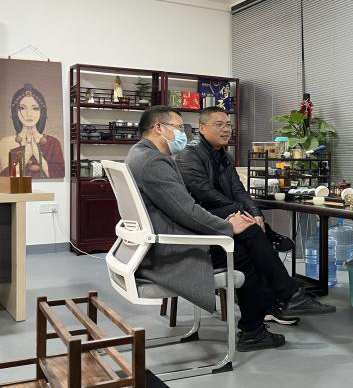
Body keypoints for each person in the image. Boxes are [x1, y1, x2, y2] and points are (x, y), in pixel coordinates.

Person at [126, 106, 334, 353]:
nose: (183, 133)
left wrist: (247, 217)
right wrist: (228, 226)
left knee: (246, 242)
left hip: (164, 242)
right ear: (159, 128)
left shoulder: (140, 154)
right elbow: (187, 210)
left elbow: (232, 193)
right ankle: (284, 300)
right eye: (179, 128)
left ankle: (260, 324)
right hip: (173, 251)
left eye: (228, 124)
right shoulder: (155, 162)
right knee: (247, 238)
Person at [176, 106, 298, 325]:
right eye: (219, 125)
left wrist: (256, 214)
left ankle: (270, 307)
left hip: (226, 217)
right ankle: (283, 297)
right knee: (253, 239)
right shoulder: (188, 155)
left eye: (228, 124)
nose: (226, 129)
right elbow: (206, 194)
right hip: (204, 222)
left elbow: (239, 190)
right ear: (201, 128)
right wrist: (243, 212)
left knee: (253, 239)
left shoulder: (225, 156)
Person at [0, 84, 64, 178]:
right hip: (19, 187)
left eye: (35, 108)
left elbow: (59, 175)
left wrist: (37, 154)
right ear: (15, 112)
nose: (29, 114)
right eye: (22, 108)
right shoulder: (6, 142)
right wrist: (26, 155)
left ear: (42, 112)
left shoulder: (53, 143)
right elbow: (5, 179)